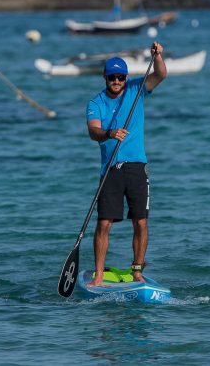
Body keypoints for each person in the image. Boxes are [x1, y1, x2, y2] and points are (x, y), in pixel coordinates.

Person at [86, 42, 167, 286]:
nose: (117, 81)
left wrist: (159, 56)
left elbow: (161, 74)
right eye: (113, 77)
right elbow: (93, 132)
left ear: (126, 77)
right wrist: (110, 133)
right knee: (103, 223)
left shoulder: (136, 89)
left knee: (140, 221)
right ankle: (99, 276)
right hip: (110, 168)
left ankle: (137, 270)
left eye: (121, 77)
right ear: (105, 77)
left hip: (136, 167)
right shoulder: (95, 103)